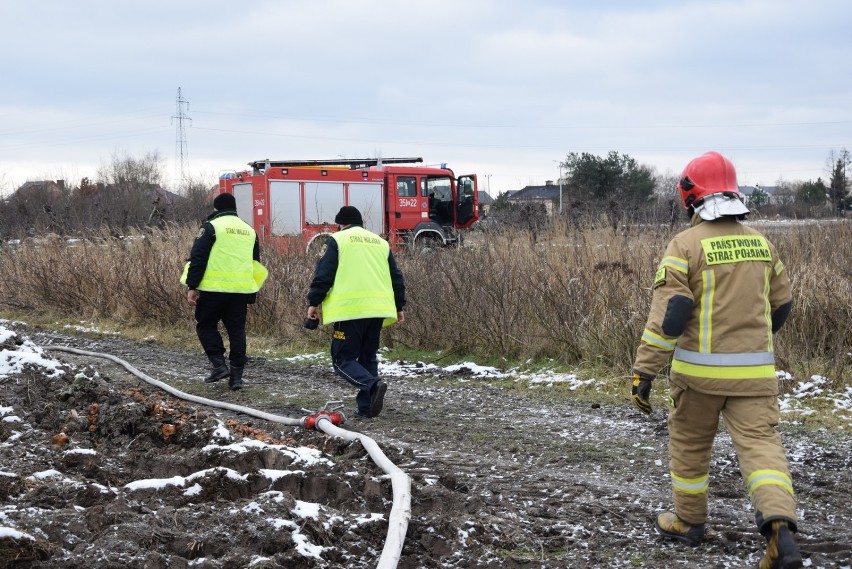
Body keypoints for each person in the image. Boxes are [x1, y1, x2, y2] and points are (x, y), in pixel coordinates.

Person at [630, 151, 802, 569]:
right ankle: (779, 528)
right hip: (755, 378)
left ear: (691, 196)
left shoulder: (685, 245)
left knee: (690, 446)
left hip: (698, 380)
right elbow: (782, 307)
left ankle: (688, 522)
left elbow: (670, 316)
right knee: (762, 449)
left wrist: (644, 371)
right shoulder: (761, 242)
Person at [306, 206, 406, 419]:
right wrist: (399, 306)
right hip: (378, 310)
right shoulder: (381, 243)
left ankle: (372, 385)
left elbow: (324, 274)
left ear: (340, 224)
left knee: (342, 360)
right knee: (367, 357)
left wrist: (314, 302)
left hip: (350, 311)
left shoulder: (337, 240)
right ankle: (367, 408)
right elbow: (396, 277)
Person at [181, 192, 267, 391]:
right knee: (237, 331)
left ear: (216, 209)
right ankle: (236, 377)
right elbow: (255, 264)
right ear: (234, 208)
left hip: (213, 289)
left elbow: (198, 258)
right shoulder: (249, 230)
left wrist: (192, 286)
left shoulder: (211, 227)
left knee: (206, 325)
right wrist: (252, 291)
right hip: (240, 291)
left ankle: (219, 365)